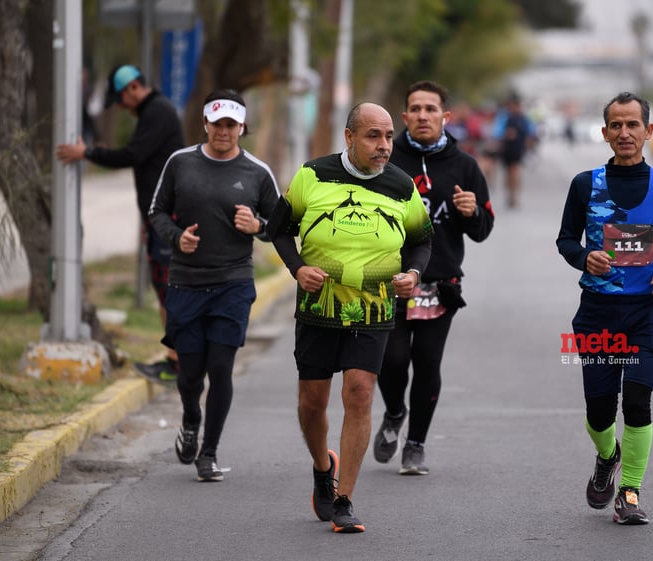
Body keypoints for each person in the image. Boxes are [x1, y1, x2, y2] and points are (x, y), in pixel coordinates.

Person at [270, 102, 433, 532]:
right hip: (319, 308)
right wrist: (297, 268)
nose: (383, 146)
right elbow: (280, 228)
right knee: (312, 404)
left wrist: (413, 273)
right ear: (349, 138)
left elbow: (421, 241)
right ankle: (323, 467)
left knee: (359, 394)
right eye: (372, 136)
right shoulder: (312, 175)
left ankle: (344, 500)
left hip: (375, 307)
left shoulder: (402, 186)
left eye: (388, 137)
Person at [556, 92, 653, 524]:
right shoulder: (585, 185)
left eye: (632, 125)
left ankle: (630, 492)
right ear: (604, 133)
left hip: (645, 313)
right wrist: (584, 256)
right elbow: (565, 239)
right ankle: (607, 455)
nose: (624, 132)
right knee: (599, 411)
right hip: (598, 314)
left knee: (637, 400)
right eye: (616, 125)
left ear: (648, 131)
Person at [148, 89, 281, 482]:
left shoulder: (257, 172)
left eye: (231, 125)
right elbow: (157, 211)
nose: (223, 131)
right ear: (205, 124)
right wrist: (176, 238)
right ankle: (191, 418)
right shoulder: (180, 163)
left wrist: (257, 226)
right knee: (190, 374)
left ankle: (209, 452)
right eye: (216, 124)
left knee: (220, 369)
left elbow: (280, 225)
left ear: (242, 127)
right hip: (187, 283)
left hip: (233, 283)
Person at [373, 80, 494, 475]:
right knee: (391, 360)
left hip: (440, 282)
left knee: (426, 362)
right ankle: (394, 412)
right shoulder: (385, 161)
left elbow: (482, 230)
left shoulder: (465, 166)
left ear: (446, 116)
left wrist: (470, 210)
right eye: (415, 109)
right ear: (404, 116)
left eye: (431, 108)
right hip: (387, 281)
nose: (423, 115)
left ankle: (416, 444)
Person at [56, 64, 185, 383]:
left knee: (170, 290)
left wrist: (88, 152)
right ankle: (177, 360)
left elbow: (132, 154)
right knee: (166, 289)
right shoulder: (155, 111)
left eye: (122, 99)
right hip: (160, 216)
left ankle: (178, 364)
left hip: (166, 219)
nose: (122, 106)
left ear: (133, 89)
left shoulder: (158, 112)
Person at [491, 94, 536, 208]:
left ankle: (514, 195)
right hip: (506, 149)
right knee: (508, 173)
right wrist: (505, 135)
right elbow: (497, 133)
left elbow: (531, 133)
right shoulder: (504, 117)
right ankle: (510, 194)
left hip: (518, 150)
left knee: (515, 170)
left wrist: (529, 146)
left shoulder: (524, 119)